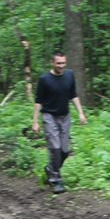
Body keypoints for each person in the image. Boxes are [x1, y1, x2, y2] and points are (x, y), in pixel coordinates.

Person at [30, 51, 87, 193]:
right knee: (54, 148)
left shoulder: (69, 75)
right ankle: (56, 181)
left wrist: (81, 113)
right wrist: (35, 121)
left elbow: (73, 95)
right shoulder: (44, 79)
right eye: (58, 63)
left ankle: (50, 169)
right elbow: (38, 101)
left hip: (65, 116)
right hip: (49, 116)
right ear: (52, 63)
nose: (61, 66)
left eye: (63, 63)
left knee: (64, 151)